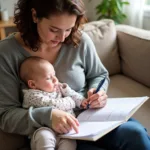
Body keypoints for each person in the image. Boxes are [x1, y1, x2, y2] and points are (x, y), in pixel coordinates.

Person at [0, 0, 149, 150]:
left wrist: (98, 91)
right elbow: (6, 116)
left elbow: (99, 75)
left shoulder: (80, 40)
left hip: (93, 120)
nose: (62, 38)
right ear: (34, 15)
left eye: (68, 29)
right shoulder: (7, 53)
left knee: (136, 135)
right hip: (55, 135)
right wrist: (49, 116)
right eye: (54, 29)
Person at [20, 56, 88, 150]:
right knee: (45, 136)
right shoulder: (31, 95)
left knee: (70, 143)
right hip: (44, 129)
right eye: (49, 78)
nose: (55, 80)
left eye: (54, 75)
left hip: (65, 132)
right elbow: (54, 105)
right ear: (33, 84)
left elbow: (72, 93)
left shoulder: (57, 86)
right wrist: (71, 102)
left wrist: (82, 101)